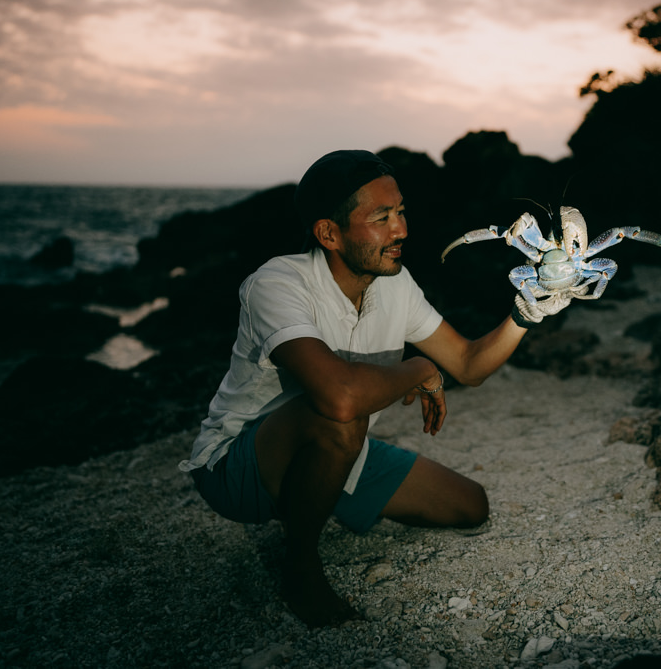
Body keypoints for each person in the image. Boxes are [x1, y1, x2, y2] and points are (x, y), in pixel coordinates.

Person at [179, 149, 589, 627]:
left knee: (468, 506)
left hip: (337, 443)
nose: (402, 230)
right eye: (382, 218)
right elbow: (341, 397)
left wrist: (527, 312)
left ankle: (317, 490)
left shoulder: (394, 284)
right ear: (329, 234)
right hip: (237, 467)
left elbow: (468, 364)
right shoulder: (276, 284)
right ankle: (300, 566)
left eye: (401, 212)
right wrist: (417, 369)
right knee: (340, 413)